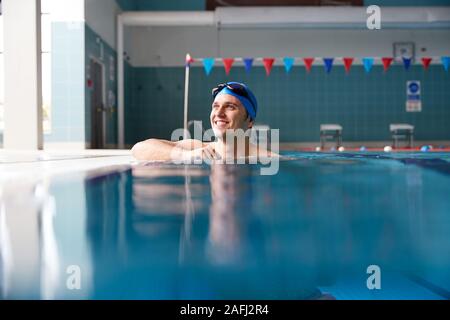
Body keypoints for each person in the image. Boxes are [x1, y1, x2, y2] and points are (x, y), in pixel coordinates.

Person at [131, 82, 277, 162]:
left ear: (250, 120)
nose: (219, 113)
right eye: (216, 106)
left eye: (230, 107)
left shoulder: (267, 160)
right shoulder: (197, 149)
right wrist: (185, 156)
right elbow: (139, 148)